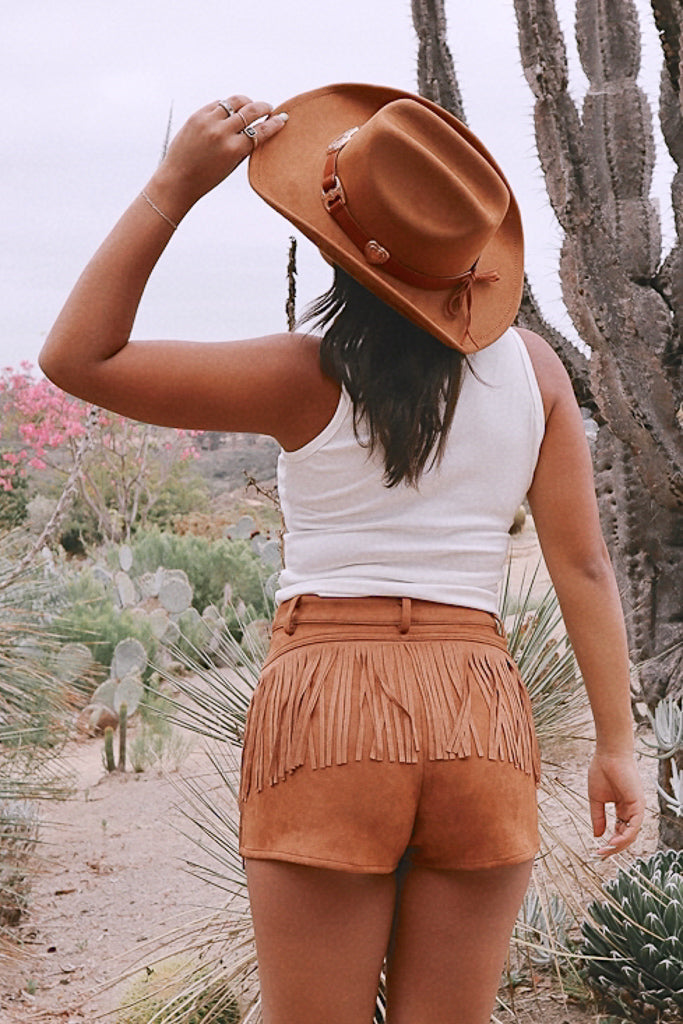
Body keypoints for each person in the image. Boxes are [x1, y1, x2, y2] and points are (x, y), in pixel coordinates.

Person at [40, 84, 645, 1024]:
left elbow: (79, 358)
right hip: (479, 704)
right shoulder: (534, 369)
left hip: (328, 699)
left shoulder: (304, 373)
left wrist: (173, 186)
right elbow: (584, 567)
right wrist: (615, 743)